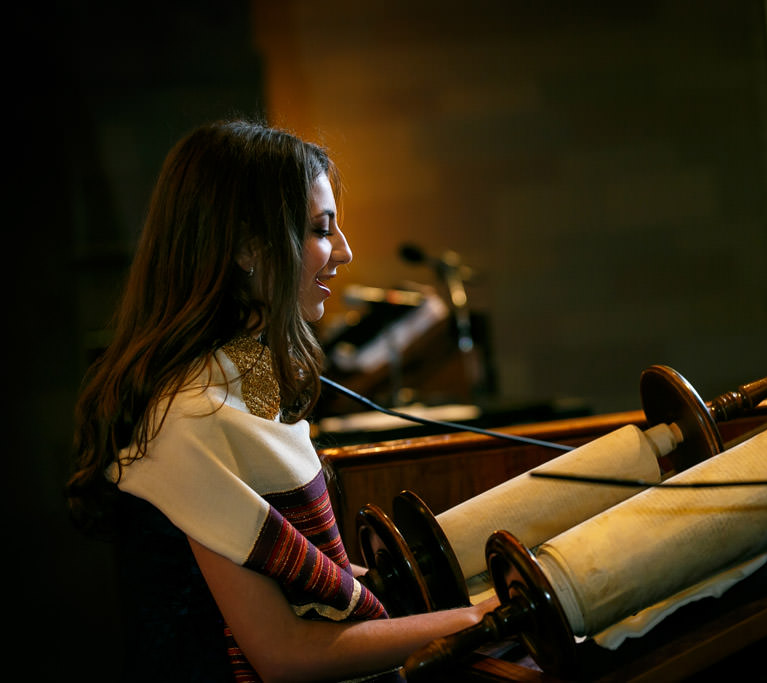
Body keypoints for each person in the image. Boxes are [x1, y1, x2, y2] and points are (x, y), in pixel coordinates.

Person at [66, 119, 497, 682]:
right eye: (322, 230)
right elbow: (284, 651)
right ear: (249, 246)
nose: (344, 251)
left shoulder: (246, 376)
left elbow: (305, 577)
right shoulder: (192, 415)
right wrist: (479, 619)